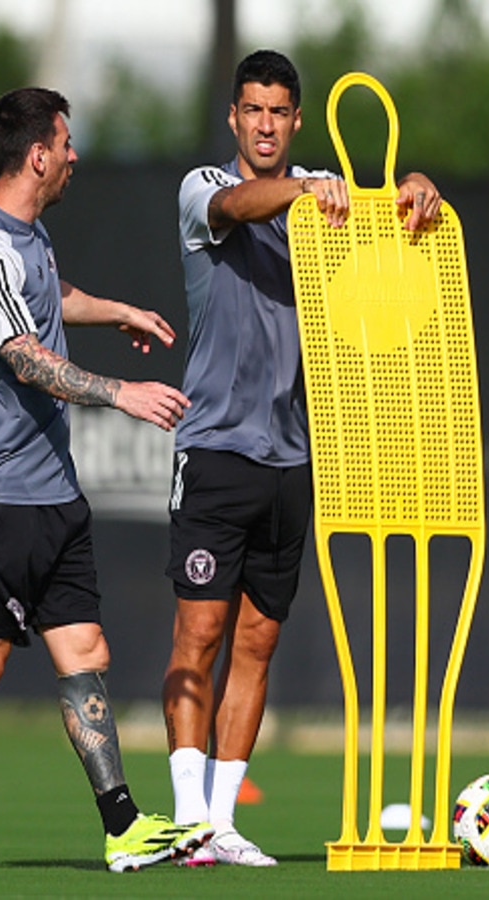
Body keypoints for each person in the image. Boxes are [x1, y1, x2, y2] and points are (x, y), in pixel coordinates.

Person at [0, 87, 213, 874]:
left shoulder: (31, 239)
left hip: (53, 496)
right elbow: (24, 355)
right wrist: (120, 395)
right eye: (65, 144)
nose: (74, 156)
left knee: (85, 651)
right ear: (38, 154)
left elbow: (54, 302)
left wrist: (119, 312)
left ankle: (123, 824)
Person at [161, 49, 443, 866]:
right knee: (200, 636)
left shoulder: (326, 196)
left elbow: (394, 225)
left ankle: (221, 821)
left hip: (292, 456)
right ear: (234, 118)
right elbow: (241, 204)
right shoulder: (203, 189)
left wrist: (417, 188)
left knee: (257, 643)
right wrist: (307, 191)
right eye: (253, 110)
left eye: (279, 112)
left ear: (295, 119)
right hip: (215, 448)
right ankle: (186, 822)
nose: (265, 125)